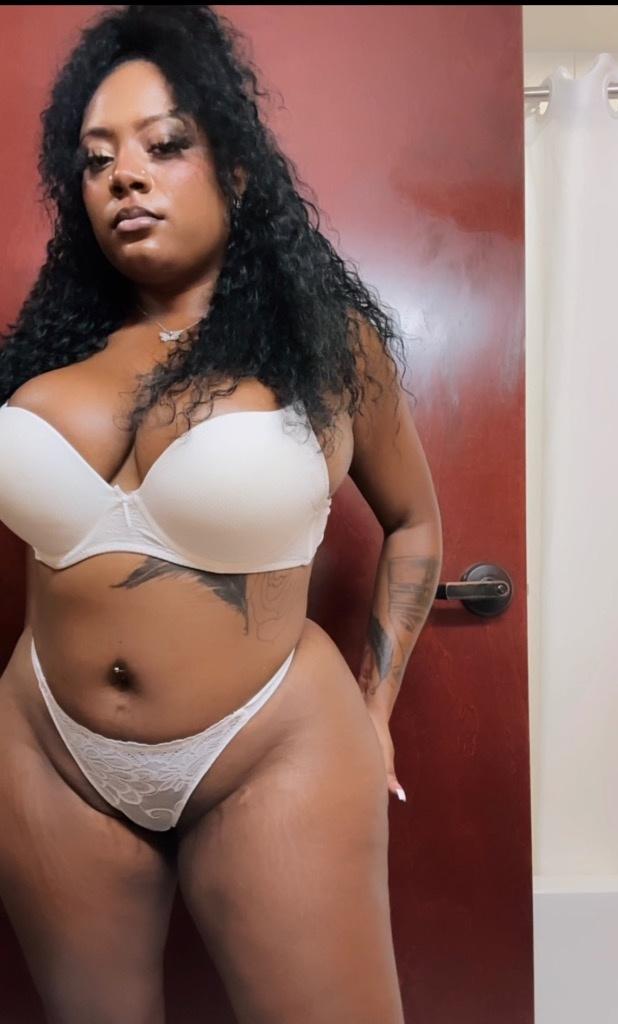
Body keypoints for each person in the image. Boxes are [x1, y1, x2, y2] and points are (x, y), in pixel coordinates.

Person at [0, 5, 442, 1022]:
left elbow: (414, 523)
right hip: (46, 750)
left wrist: (375, 711)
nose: (125, 176)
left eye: (164, 145)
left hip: (267, 746)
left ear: (236, 171)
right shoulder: (47, 348)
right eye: (97, 159)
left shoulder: (326, 345)